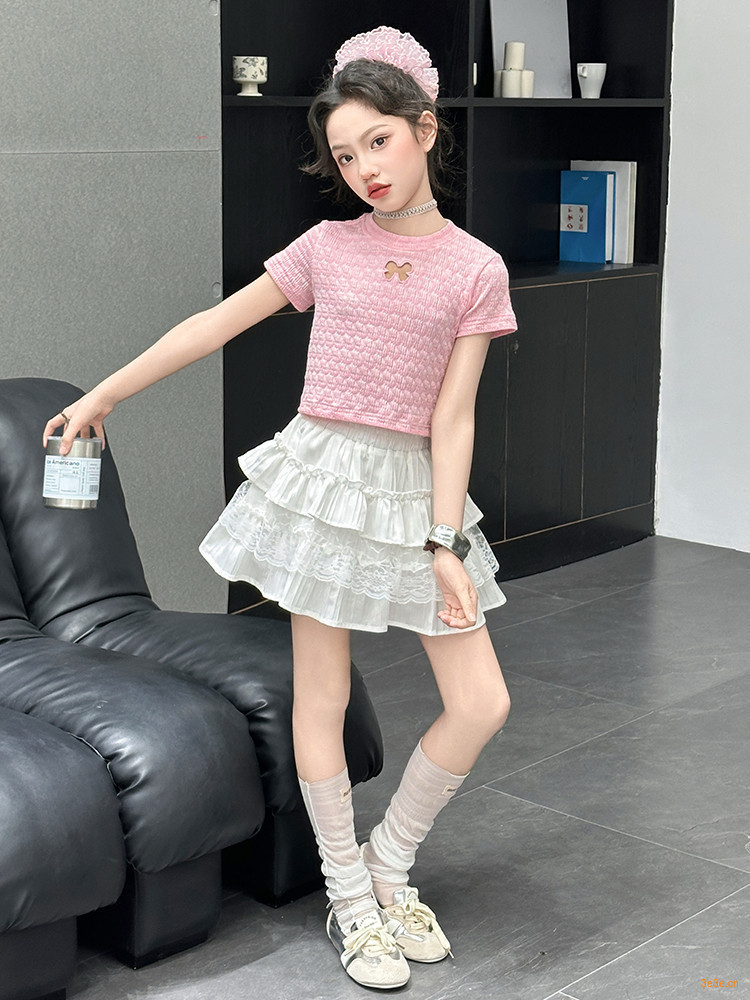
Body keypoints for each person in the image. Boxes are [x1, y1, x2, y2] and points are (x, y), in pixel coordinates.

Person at [43, 25, 517, 991]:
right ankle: (350, 894)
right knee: (322, 694)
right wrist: (105, 394)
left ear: (425, 129)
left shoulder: (477, 267)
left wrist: (443, 539)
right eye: (344, 156)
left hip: (415, 489)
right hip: (321, 480)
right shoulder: (327, 248)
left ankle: (389, 862)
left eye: (378, 141)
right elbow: (214, 323)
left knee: (482, 702)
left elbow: (454, 415)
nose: (364, 169)